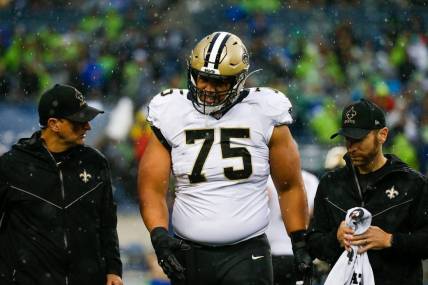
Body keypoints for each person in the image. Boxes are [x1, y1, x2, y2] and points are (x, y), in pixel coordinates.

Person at [137, 31, 312, 284]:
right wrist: (160, 236)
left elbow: (289, 185)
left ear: (239, 81)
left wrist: (299, 240)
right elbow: (151, 188)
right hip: (190, 252)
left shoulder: (264, 110)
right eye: (202, 78)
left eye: (219, 82)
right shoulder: (171, 110)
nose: (208, 88)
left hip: (247, 252)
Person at [0, 84, 123, 285]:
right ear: (54, 124)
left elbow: (107, 223)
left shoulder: (96, 163)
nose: (88, 127)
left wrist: (113, 270)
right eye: (79, 122)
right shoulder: (11, 166)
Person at [307, 98, 428, 285]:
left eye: (359, 139)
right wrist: (335, 239)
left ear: (382, 135)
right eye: (348, 138)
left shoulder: (411, 183)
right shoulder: (330, 183)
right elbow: (313, 243)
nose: (352, 147)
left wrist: (391, 240)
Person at [266, 170, 319, 285]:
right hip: (299, 251)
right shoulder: (310, 179)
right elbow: (311, 213)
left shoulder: (266, 179)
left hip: (273, 253)